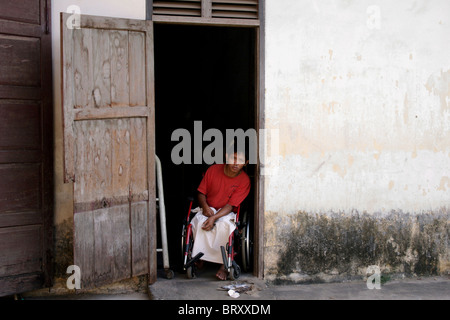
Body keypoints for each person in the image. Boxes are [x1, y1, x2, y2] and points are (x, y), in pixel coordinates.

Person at [190, 144, 251, 280]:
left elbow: (230, 205)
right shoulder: (213, 170)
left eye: (240, 160)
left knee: (225, 225)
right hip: (209, 206)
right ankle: (200, 258)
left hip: (227, 211)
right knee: (198, 221)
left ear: (246, 162)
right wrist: (205, 207)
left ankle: (223, 265)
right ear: (226, 157)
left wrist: (215, 218)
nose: (236, 163)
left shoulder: (244, 180)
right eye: (233, 158)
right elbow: (201, 192)